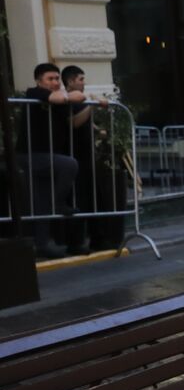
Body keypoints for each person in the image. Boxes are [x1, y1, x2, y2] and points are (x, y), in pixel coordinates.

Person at [17, 63, 84, 258]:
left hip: (47, 157)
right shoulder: (34, 93)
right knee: (69, 164)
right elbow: (62, 97)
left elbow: (73, 122)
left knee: (41, 201)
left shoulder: (60, 102)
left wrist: (92, 105)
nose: (55, 82)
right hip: (30, 155)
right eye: (50, 79)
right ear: (39, 81)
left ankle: (42, 244)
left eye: (57, 78)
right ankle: (58, 203)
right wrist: (74, 96)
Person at [61, 64, 111, 255]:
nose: (83, 83)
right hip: (74, 156)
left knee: (93, 196)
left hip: (86, 155)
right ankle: (76, 241)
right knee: (78, 197)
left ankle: (98, 237)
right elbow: (74, 122)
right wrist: (92, 104)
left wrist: (97, 130)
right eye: (80, 79)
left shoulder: (81, 100)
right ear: (71, 81)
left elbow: (84, 121)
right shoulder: (67, 101)